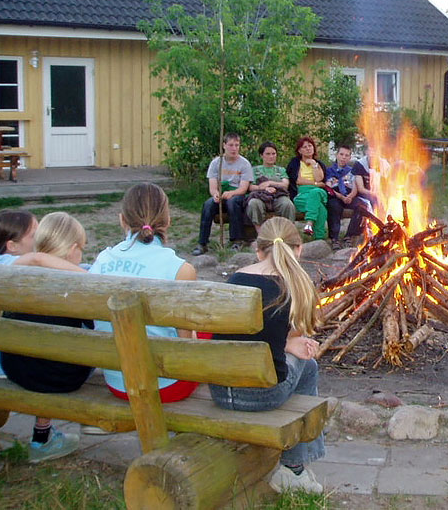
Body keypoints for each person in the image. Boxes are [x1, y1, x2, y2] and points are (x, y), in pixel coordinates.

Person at [209, 217, 325, 493]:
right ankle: (294, 470)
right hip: (261, 396)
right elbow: (294, 333)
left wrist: (284, 345)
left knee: (296, 360)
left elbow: (242, 335)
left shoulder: (236, 279)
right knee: (307, 367)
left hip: (219, 392)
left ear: (258, 250)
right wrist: (291, 344)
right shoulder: (295, 286)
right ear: (298, 250)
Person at [90, 183, 199, 402]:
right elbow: (185, 342)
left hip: (118, 381)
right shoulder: (180, 269)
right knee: (206, 334)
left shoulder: (102, 260)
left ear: (122, 220)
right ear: (167, 221)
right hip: (165, 386)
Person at [0, 212, 93, 463]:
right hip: (60, 378)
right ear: (73, 249)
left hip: (16, 368)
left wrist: (38, 257)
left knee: (45, 350)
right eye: (81, 249)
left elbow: (34, 261)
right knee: (90, 346)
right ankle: (95, 424)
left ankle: (42, 437)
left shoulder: (15, 274)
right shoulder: (81, 285)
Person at [0, 210, 84, 379]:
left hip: (2, 365)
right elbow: (37, 260)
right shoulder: (1, 264)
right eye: (34, 235)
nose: (41, 237)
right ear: (12, 246)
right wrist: (87, 276)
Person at [192, 132, 254, 255]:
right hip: (221, 195)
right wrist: (215, 194)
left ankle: (237, 240)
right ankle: (202, 243)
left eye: (237, 145)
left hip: (237, 196)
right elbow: (213, 186)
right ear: (224, 145)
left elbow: (243, 188)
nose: (234, 148)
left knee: (233, 202)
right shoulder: (216, 163)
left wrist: (232, 193)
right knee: (208, 205)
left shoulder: (244, 164)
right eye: (231, 145)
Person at [246, 141, 296, 230]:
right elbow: (250, 187)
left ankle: (287, 232)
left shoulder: (281, 170)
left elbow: (285, 185)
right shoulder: (254, 170)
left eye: (273, 154)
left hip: (278, 196)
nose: (271, 156)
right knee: (253, 203)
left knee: (288, 205)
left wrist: (270, 183)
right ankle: (260, 233)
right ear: (262, 155)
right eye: (268, 154)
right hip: (260, 196)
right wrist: (263, 188)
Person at [286, 136, 328, 240]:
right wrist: (316, 184)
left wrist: (313, 164)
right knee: (321, 209)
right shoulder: (295, 163)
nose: (308, 148)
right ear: (300, 150)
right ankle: (319, 239)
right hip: (301, 194)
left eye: (310, 146)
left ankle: (309, 223)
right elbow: (298, 181)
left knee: (316, 192)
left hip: (318, 193)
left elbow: (320, 178)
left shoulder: (319, 164)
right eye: (304, 147)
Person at [325, 145, 366, 249]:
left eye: (347, 155)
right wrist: (342, 197)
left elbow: (356, 185)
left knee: (361, 206)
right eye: (341, 154)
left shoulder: (352, 171)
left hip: (349, 195)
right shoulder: (329, 171)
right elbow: (329, 188)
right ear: (337, 155)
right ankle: (334, 238)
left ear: (349, 158)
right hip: (336, 195)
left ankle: (349, 236)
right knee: (334, 206)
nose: (343, 157)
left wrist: (351, 196)